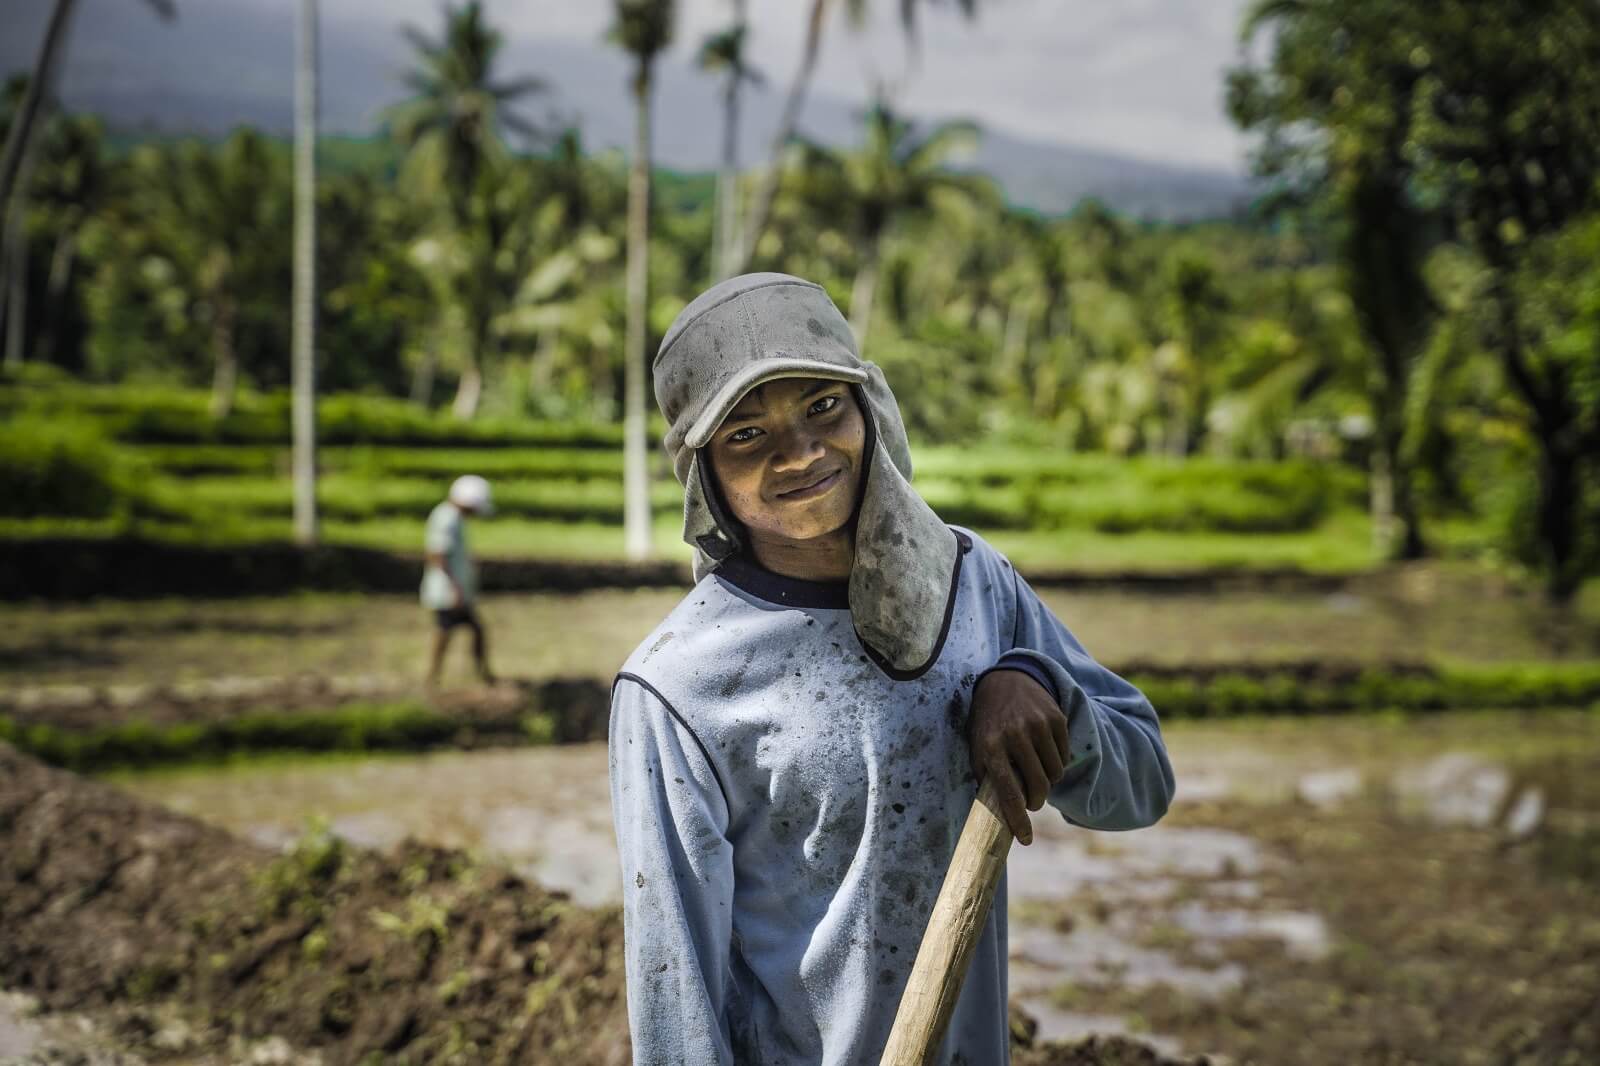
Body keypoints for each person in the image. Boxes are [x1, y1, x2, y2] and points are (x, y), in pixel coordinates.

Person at [608, 272, 1175, 1065]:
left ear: (867, 406)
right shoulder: (676, 689)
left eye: (821, 407)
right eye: (746, 434)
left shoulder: (975, 586)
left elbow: (1143, 782)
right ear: (700, 469)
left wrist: (1042, 687)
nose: (800, 453)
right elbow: (676, 999)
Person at [422, 474, 496, 686]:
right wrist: (453, 588)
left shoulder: (453, 517)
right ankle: (434, 676)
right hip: (448, 591)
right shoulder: (446, 519)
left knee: (469, 630)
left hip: (455, 590)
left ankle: (479, 673)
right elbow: (437, 555)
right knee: (447, 630)